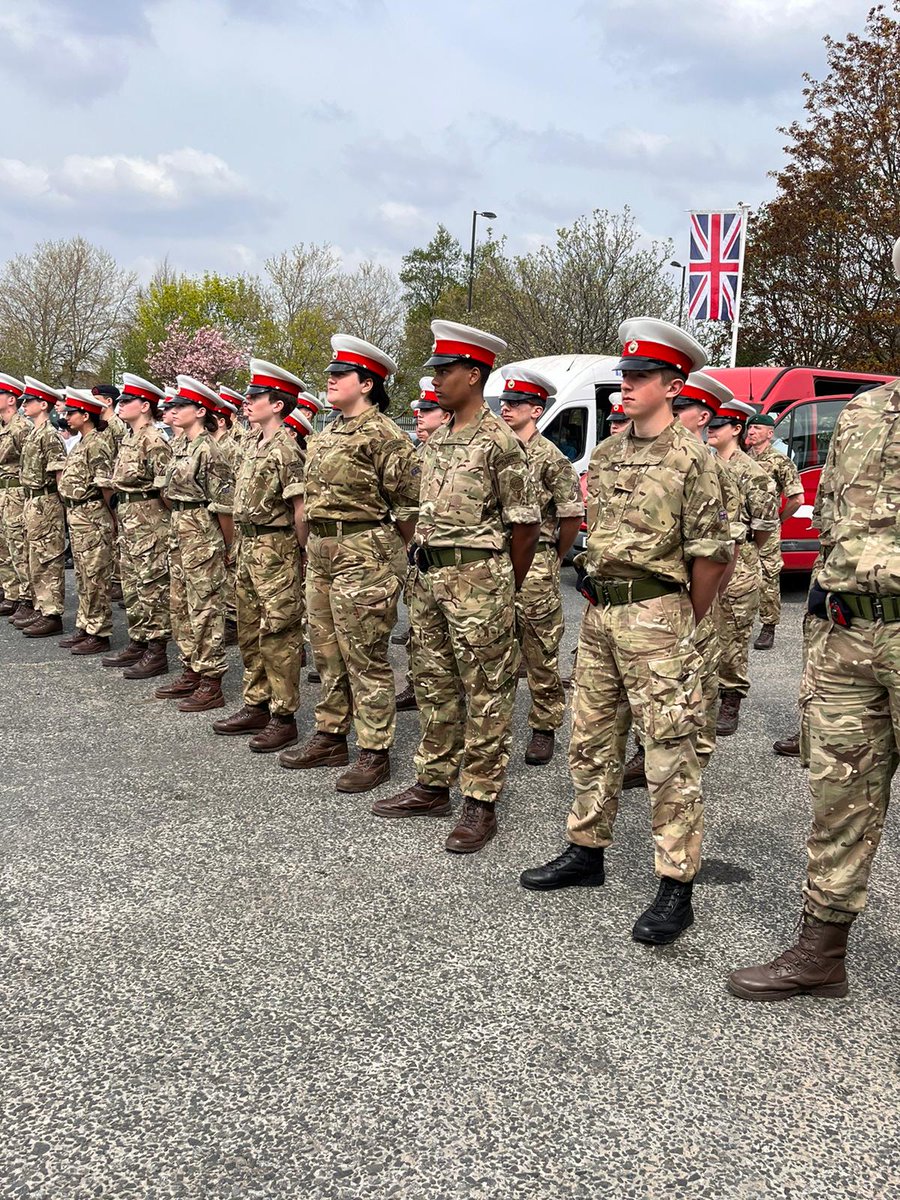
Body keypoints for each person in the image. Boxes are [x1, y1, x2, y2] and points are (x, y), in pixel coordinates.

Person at [520, 318, 732, 946]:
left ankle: (675, 882)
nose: (626, 388)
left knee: (669, 749)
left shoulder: (694, 458)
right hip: (601, 614)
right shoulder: (609, 452)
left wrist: (680, 620)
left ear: (672, 384)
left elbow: (712, 554)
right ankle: (586, 847)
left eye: (639, 377)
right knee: (590, 735)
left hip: (658, 615)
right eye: (624, 377)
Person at [727, 239, 900, 999]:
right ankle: (821, 952)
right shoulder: (862, 412)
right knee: (838, 797)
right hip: (845, 635)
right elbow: (834, 523)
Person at [372, 320, 541, 854]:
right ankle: (432, 783)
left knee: (486, 689)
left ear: (474, 374)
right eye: (436, 371)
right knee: (432, 682)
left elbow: (526, 525)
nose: (437, 380)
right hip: (430, 579)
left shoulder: (500, 443)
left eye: (446, 371)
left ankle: (480, 800)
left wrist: (501, 587)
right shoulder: (438, 440)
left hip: (478, 582)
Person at [279, 335, 421, 793]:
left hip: (364, 552)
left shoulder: (385, 435)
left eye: (340, 375)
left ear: (366, 383)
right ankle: (330, 734)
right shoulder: (327, 433)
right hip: (322, 551)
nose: (330, 381)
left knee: (365, 656)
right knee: (326, 652)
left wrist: (393, 557)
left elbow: (411, 503)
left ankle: (374, 750)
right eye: (331, 374)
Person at [622, 372, 742, 789]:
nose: (677, 413)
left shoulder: (707, 465)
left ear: (702, 414)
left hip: (691, 593)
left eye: (684, 406)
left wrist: (697, 605)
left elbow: (725, 546)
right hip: (655, 603)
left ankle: (694, 756)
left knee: (696, 681)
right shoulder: (649, 454)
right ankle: (649, 751)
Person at [212, 359, 306, 753]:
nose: (247, 402)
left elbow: (300, 509)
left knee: (278, 632)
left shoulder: (287, 449)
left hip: (276, 546)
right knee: (249, 629)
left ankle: (284, 716)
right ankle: (257, 702)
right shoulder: (251, 444)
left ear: (278, 405)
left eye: (255, 397)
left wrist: (302, 557)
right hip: (249, 545)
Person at [498, 365, 584, 765]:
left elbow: (570, 516)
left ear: (536, 409)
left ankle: (545, 724)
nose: (505, 408)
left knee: (539, 645)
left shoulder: (550, 458)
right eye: (504, 402)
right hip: (497, 557)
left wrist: (552, 554)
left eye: (515, 403)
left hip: (536, 561)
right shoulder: (496, 449)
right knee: (496, 643)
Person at [154, 376, 234, 712]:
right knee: (180, 606)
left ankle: (211, 681)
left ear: (200, 410)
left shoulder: (208, 449)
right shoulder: (180, 446)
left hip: (202, 534)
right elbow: (170, 494)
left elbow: (224, 506)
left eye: (180, 406)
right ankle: (191, 668)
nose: (172, 411)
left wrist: (227, 547)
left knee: (204, 609)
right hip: (180, 531)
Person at [706, 399, 778, 736]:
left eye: (718, 425)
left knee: (733, 636)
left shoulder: (754, 473)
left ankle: (731, 696)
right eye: (710, 424)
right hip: (705, 560)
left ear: (736, 429)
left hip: (740, 563)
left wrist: (743, 552)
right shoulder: (701, 464)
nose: (711, 430)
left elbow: (764, 528)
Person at [98, 374, 173, 678]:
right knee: (131, 583)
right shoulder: (129, 438)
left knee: (151, 584)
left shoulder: (154, 440)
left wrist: (158, 523)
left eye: (127, 401)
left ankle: (156, 650)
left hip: (149, 521)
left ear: (144, 405)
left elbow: (166, 489)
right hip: (130, 518)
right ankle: (138, 641)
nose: (120, 405)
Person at [394, 377, 451, 714]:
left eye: (428, 409)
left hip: (448, 560)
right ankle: (418, 685)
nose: (419, 414)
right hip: (418, 554)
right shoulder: (420, 452)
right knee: (419, 628)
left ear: (444, 415)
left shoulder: (449, 454)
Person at [56, 388, 116, 655]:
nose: (67, 416)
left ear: (86, 415)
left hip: (92, 516)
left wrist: (112, 521)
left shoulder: (97, 443)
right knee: (82, 575)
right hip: (78, 516)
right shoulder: (81, 442)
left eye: (72, 412)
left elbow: (105, 487)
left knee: (95, 576)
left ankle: (99, 631)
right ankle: (86, 624)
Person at [746, 412, 803, 650]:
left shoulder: (780, 461)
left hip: (767, 528)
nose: (751, 432)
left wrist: (778, 519)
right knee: (742, 575)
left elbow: (797, 498)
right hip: (743, 527)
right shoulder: (740, 459)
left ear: (770, 434)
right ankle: (741, 623)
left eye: (757, 428)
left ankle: (768, 626)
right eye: (750, 428)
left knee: (768, 576)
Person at [16, 377, 68, 638]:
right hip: (32, 500)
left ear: (43, 404)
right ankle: (40, 606)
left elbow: (60, 476)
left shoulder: (49, 436)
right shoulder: (35, 433)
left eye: (30, 401)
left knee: (48, 556)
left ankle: (52, 613)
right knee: (34, 556)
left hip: (46, 500)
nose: (25, 405)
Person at [0, 374, 33, 622]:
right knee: (4, 547)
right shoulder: (2, 427)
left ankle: (27, 597)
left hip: (17, 493)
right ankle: (10, 594)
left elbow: (30, 463)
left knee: (19, 545)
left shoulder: (22, 428)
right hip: (3, 492)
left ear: (11, 399)